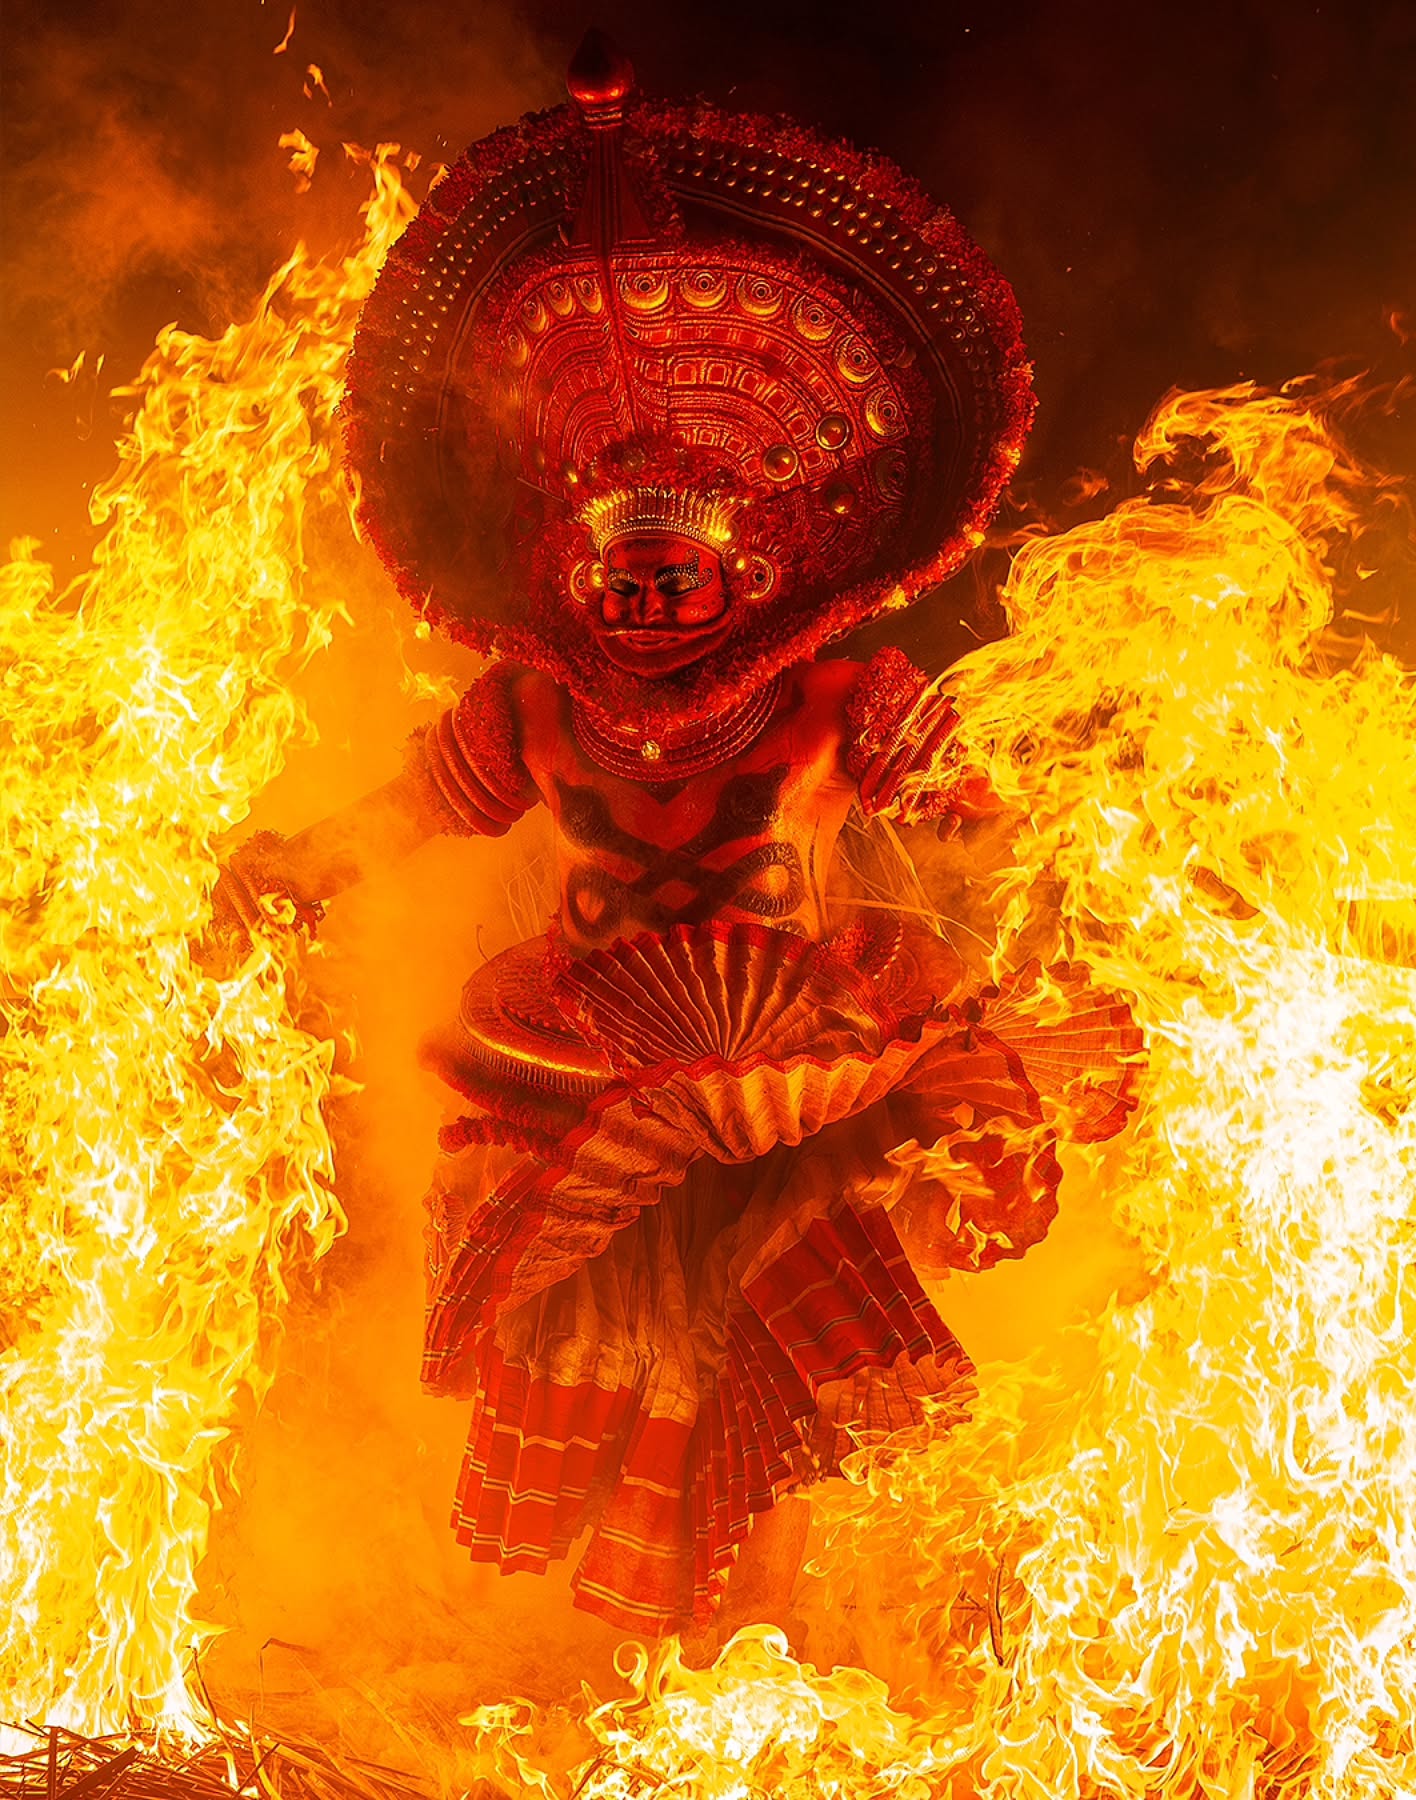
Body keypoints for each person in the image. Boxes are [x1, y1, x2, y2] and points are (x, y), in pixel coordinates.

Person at [216, 34, 1140, 1640]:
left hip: (801, 1080)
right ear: (572, 575)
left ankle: (786, 1654)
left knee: (777, 1365)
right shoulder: (530, 712)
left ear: (747, 574)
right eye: (619, 581)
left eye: (675, 581)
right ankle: (642, 1678)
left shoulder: (841, 693)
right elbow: (410, 816)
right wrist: (293, 866)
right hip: (589, 1085)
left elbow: (1004, 814)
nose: (642, 606)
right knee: (619, 1378)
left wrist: (1118, 860)